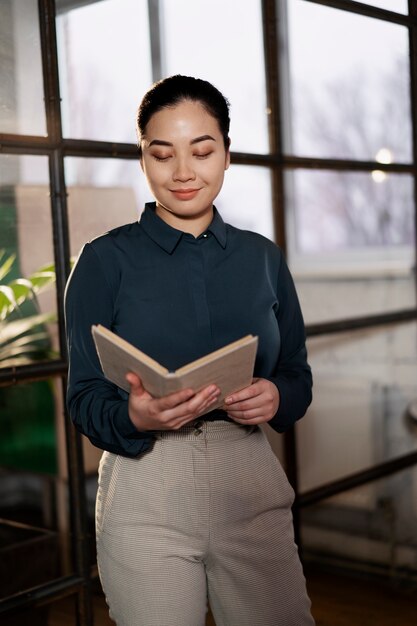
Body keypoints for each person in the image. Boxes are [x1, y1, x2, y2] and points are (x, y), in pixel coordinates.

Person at [65, 75, 315, 626]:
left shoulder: (263, 259)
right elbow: (83, 396)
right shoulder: (103, 262)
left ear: (227, 154)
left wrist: (276, 394)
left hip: (249, 479)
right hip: (145, 484)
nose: (182, 172)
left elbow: (297, 374)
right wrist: (132, 414)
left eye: (202, 151)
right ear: (143, 159)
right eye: (162, 154)